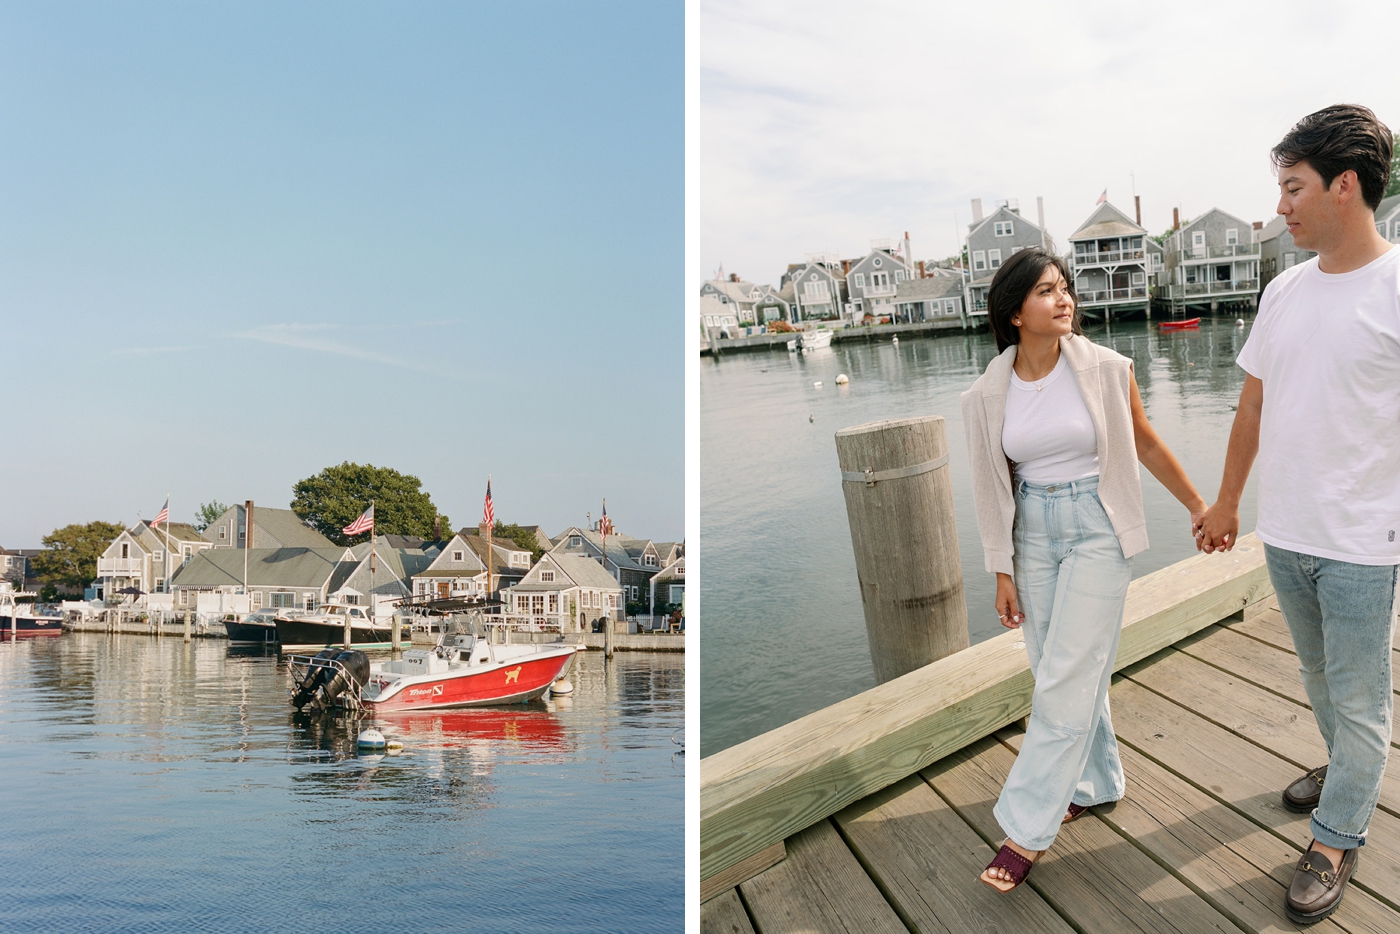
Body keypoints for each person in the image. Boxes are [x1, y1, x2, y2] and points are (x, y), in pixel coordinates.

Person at [1196, 103, 1399, 926]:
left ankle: (1337, 832)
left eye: (1293, 187)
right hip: (1287, 533)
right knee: (1319, 681)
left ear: (1344, 187)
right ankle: (1344, 766)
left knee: (1359, 700)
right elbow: (1250, 409)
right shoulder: (1283, 289)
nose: (1280, 205)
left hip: (1362, 541)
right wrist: (1226, 501)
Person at [962, 248, 1207, 892]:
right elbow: (994, 488)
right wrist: (1001, 569)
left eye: (1065, 287)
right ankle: (1096, 783)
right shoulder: (987, 394)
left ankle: (1025, 828)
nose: (1065, 298)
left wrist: (1198, 505)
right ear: (1015, 312)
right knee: (1056, 667)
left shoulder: (1105, 369)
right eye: (1047, 291)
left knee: (1066, 676)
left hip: (1098, 526)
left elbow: (1146, 440)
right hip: (1033, 534)